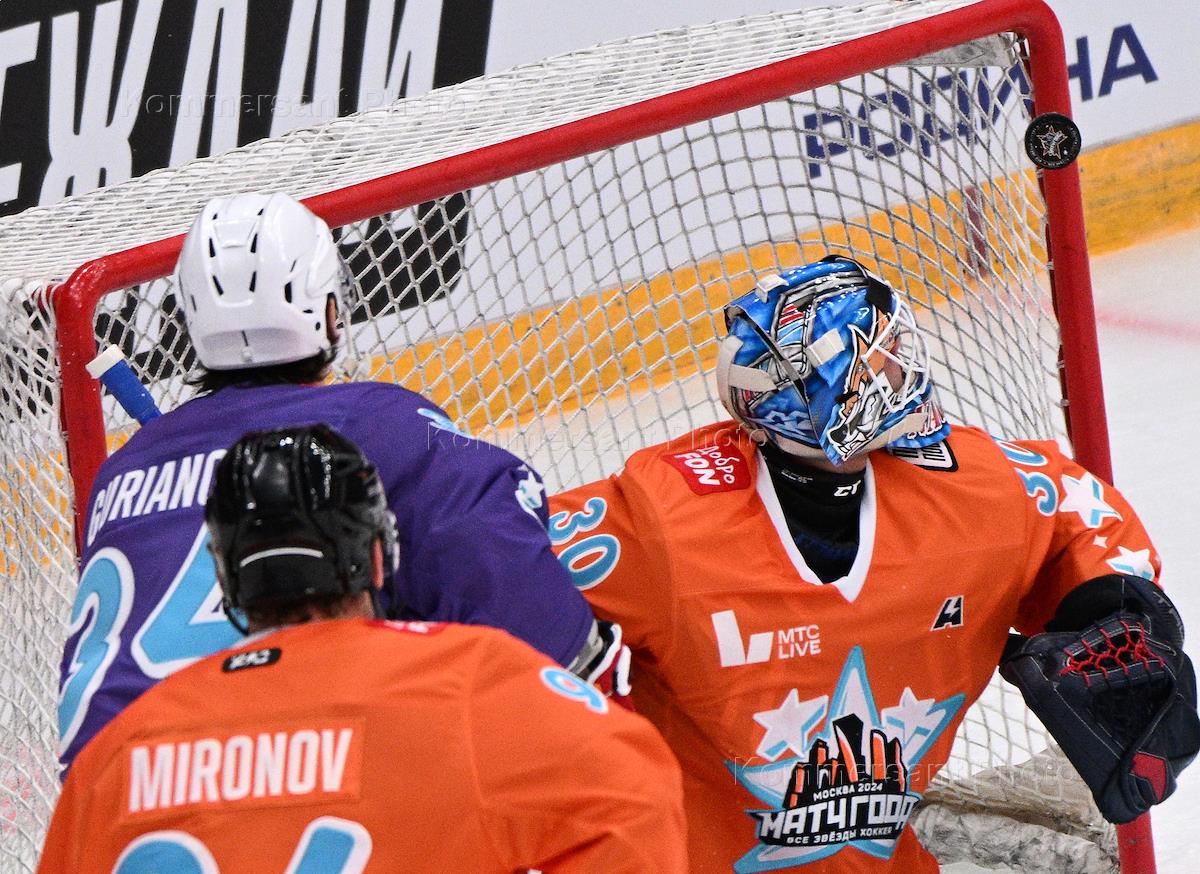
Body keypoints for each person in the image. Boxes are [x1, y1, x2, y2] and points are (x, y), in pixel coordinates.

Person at [548, 256, 1199, 872]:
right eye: (879, 359)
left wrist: (1115, 605)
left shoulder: (970, 490)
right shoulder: (665, 522)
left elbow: (1077, 509)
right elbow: (507, 566)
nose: (899, 370)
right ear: (830, 391)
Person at [58, 192, 623, 773]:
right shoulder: (379, 427)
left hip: (103, 798)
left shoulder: (123, 467)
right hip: (294, 785)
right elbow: (542, 635)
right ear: (329, 311)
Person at [39, 424, 686, 873]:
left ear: (227, 577)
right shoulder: (471, 679)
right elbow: (638, 795)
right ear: (378, 556)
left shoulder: (122, 750)